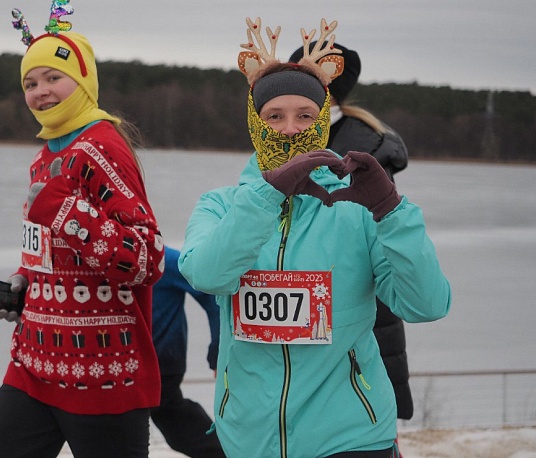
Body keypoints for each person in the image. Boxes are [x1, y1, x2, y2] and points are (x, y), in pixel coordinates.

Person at [177, 16, 451, 458]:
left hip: (352, 438)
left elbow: (427, 304)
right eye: (274, 116)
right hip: (249, 439)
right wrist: (266, 196)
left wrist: (391, 210)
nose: (289, 129)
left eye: (305, 115)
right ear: (254, 122)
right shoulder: (221, 205)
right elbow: (207, 275)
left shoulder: (358, 210)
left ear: (324, 120)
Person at [0, 6, 165, 458]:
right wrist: (24, 279)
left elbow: (146, 260)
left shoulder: (100, 146)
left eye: (53, 78)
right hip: (35, 365)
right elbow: (49, 248)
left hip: (101, 375)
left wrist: (64, 209)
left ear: (83, 81)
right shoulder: (47, 155)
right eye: (30, 83)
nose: (41, 92)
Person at [288, 43, 414, 421]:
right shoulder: (296, 140)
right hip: (311, 312)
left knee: (358, 419)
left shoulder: (358, 153)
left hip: (354, 314)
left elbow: (371, 247)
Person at [151, 246, 225, 458]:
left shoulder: (163, 259)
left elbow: (211, 293)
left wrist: (218, 351)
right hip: (115, 363)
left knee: (172, 416)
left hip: (162, 363)